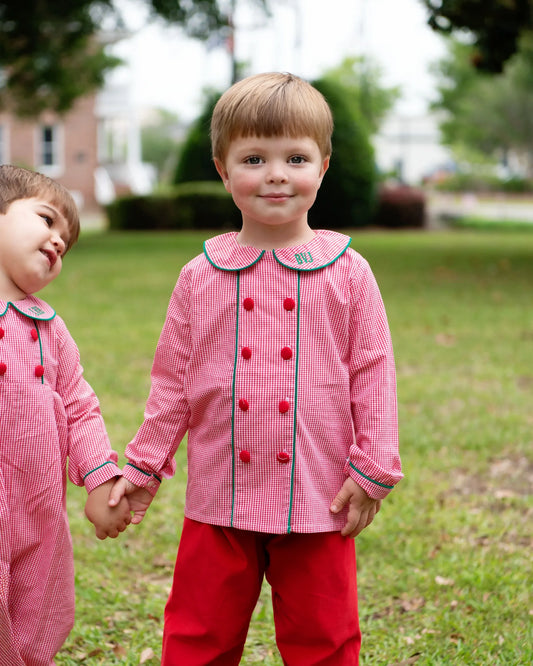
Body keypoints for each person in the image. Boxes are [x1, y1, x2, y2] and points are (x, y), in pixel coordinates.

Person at [110, 72, 403, 665]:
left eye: (295, 157)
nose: (275, 173)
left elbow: (373, 373)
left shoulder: (349, 272)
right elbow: (172, 383)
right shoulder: (200, 276)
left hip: (319, 495)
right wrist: (143, 466)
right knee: (198, 637)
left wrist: (373, 469)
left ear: (323, 166)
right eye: (254, 157)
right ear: (222, 168)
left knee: (325, 641)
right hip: (220, 495)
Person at [0, 164, 131, 666]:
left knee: (36, 615)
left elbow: (80, 407)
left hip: (39, 510)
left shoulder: (50, 331)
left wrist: (101, 479)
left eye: (67, 241)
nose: (58, 241)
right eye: (47, 220)